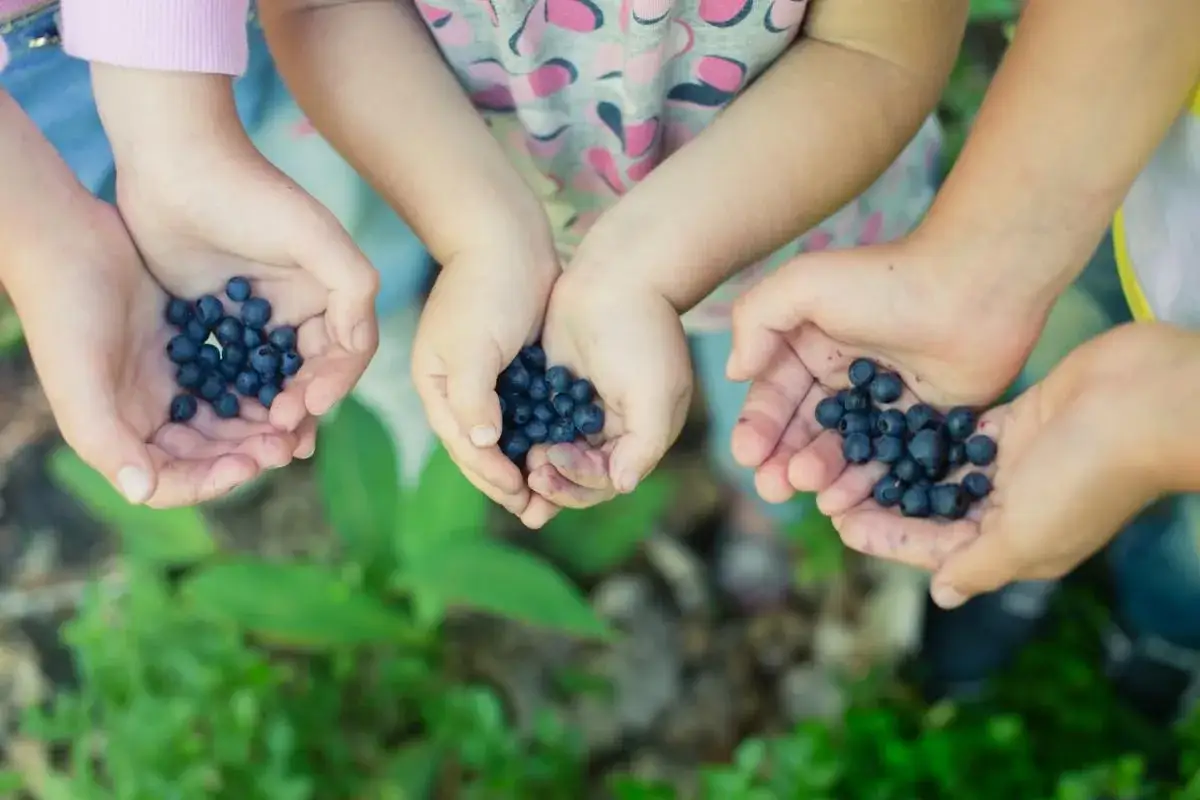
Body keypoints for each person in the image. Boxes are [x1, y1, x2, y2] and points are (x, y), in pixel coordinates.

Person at [259, 0, 967, 557]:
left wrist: (641, 271)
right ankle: (767, 492)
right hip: (520, 208)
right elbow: (325, 9)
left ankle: (763, 503)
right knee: (765, 391)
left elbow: (874, 51)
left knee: (779, 392)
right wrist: (483, 239)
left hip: (795, 224)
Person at [726, 0, 1200, 719]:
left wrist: (1158, 427)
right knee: (1059, 344)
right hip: (1145, 174)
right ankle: (1041, 557)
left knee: (1192, 552)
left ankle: (1166, 623)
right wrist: (983, 265)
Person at [0, 0, 431, 506]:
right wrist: (37, 234)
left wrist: (181, 135)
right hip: (31, 129)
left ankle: (391, 344)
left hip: (221, 38)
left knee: (342, 234)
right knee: (314, 257)